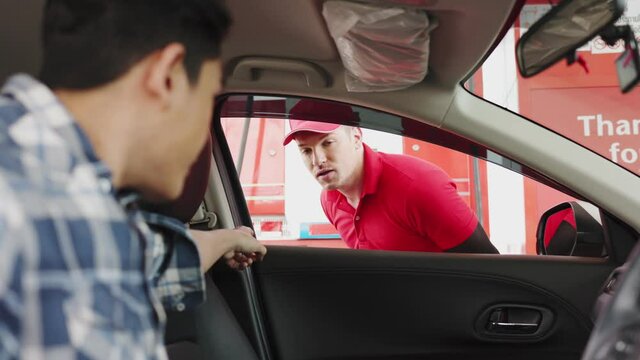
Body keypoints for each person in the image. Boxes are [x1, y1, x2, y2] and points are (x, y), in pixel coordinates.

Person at [0, 0, 266, 358]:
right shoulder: (30, 200)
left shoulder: (78, 198)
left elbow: (153, 260)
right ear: (167, 76)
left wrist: (229, 239)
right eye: (207, 98)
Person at [283, 99, 498, 254]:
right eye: (306, 151)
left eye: (328, 143)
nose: (317, 160)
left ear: (356, 137)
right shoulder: (329, 199)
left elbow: (489, 265)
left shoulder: (419, 186)